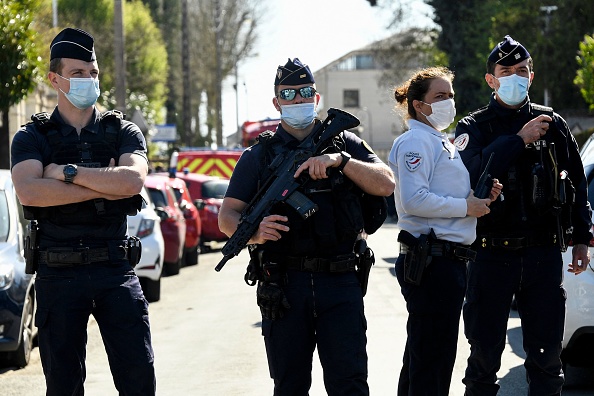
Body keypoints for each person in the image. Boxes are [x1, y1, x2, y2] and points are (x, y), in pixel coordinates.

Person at [219, 58, 395, 396]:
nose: (298, 99)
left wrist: (339, 162)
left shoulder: (345, 143)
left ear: (316, 97)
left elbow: (386, 183)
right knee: (290, 385)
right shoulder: (258, 156)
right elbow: (227, 217)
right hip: (284, 284)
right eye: (289, 93)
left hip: (341, 280)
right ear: (277, 102)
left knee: (350, 383)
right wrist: (254, 233)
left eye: (305, 92)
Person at [10, 28, 156, 395]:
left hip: (114, 270)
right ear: (54, 79)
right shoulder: (32, 137)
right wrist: (101, 185)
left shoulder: (122, 131)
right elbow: (30, 191)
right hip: (58, 274)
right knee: (63, 386)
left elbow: (132, 182)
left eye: (93, 73)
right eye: (77, 74)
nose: (88, 80)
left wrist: (67, 174)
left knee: (139, 380)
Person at [454, 35, 592, 396]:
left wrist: (581, 238)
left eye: (522, 70)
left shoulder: (553, 123)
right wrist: (518, 139)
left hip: (542, 255)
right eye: (506, 70)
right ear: (491, 79)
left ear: (531, 77)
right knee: (484, 358)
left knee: (547, 360)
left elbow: (576, 183)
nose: (515, 76)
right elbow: (469, 176)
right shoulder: (473, 126)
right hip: (490, 254)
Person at [388, 66, 501, 396]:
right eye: (439, 96)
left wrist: (477, 199)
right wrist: (467, 207)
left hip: (445, 262)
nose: (448, 102)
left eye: (450, 95)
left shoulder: (439, 141)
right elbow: (413, 200)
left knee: (423, 359)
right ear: (418, 104)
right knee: (432, 362)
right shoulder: (415, 141)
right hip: (431, 262)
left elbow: (443, 195)